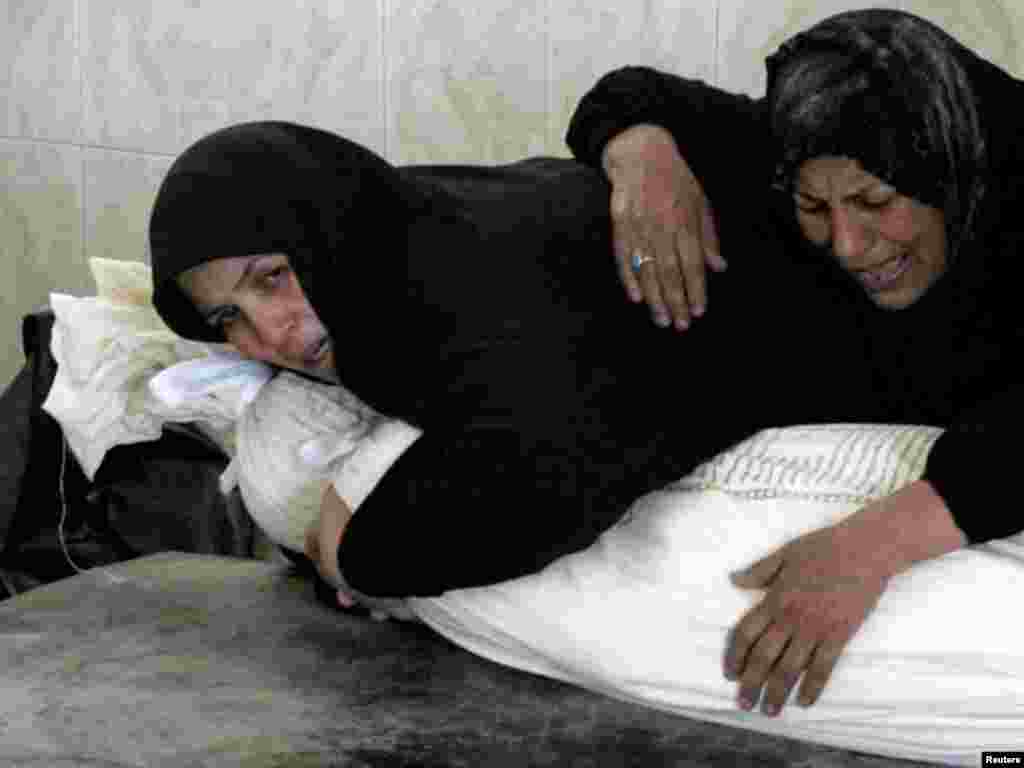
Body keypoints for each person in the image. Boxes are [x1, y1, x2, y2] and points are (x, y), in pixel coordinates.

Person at [147, 121, 866, 606]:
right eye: (227, 318)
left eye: (273, 276)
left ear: (323, 232)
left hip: (864, 322)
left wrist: (353, 554)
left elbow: (546, 473)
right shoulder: (394, 228)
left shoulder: (471, 286)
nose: (269, 332)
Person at [566, 8, 1024, 718]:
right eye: (815, 206)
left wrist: (869, 548)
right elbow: (630, 95)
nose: (847, 243)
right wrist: (643, 160)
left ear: (952, 171)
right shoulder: (811, 140)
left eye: (876, 201)